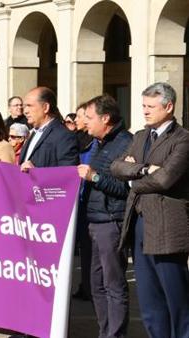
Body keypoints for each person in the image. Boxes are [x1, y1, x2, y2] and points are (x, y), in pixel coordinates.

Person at [111, 82, 189, 338]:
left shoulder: (183, 140)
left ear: (168, 107)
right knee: (149, 301)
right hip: (138, 224)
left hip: (166, 227)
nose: (144, 111)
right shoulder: (141, 136)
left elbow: (166, 179)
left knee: (176, 299)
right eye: (143, 105)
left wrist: (132, 176)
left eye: (150, 107)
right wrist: (143, 170)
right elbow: (116, 167)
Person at [77, 94, 132, 338]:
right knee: (96, 284)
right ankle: (105, 331)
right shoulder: (98, 143)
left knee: (113, 285)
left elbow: (124, 189)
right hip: (93, 220)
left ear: (105, 118)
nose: (85, 122)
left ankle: (115, 334)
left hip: (111, 221)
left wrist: (95, 178)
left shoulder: (125, 144)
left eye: (89, 117)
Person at [19, 87, 79, 171]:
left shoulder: (64, 136)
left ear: (45, 107)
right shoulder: (33, 132)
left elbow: (68, 174)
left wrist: (37, 173)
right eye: (25, 106)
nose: (25, 111)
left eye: (29, 106)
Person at [73, 101, 95, 301]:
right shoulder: (78, 140)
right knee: (84, 249)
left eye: (82, 116)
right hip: (78, 202)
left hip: (90, 201)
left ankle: (90, 287)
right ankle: (85, 284)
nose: (78, 120)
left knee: (89, 248)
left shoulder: (95, 144)